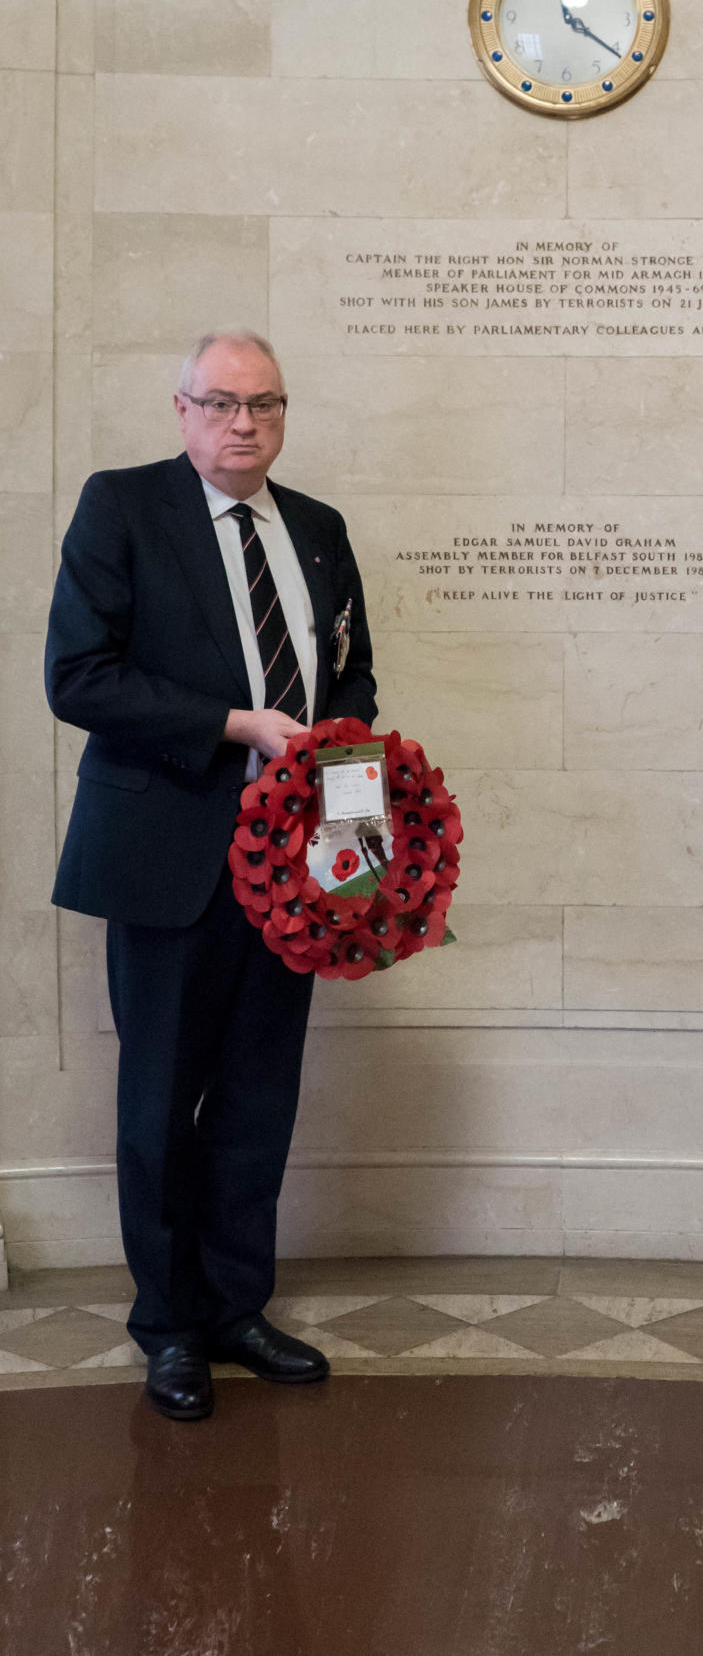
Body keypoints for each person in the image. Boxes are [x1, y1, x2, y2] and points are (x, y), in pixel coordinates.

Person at [45, 331, 376, 1420]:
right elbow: (79, 678)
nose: (244, 423)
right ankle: (170, 1326)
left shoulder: (319, 529)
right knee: (158, 1107)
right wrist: (233, 724)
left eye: (265, 404)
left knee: (255, 1100)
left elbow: (353, 679)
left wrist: (358, 829)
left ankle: (238, 1307)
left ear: (286, 413)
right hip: (167, 859)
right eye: (222, 403)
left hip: (296, 871)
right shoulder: (122, 507)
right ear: (181, 409)